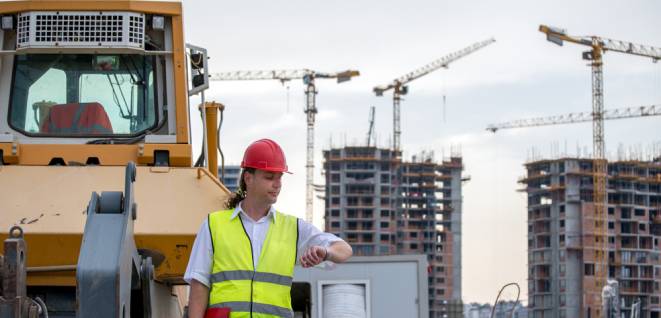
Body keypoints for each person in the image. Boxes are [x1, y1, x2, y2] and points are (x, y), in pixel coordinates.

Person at [185, 138, 353, 318]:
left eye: (280, 177)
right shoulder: (214, 225)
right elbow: (199, 286)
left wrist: (325, 252)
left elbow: (344, 250)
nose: (277, 184)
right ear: (248, 178)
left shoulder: (293, 228)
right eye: (269, 177)